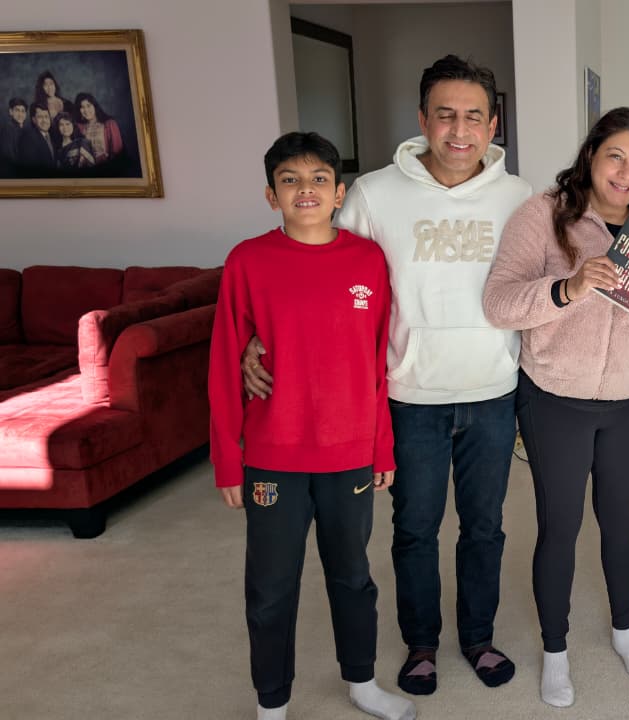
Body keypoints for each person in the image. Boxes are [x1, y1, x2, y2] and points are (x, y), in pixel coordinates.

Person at [241, 55, 532, 697]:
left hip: (492, 391)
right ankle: (421, 644)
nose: (460, 129)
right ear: (422, 119)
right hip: (409, 395)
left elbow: (539, 283)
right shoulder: (374, 193)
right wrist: (259, 338)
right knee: (415, 529)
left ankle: (478, 638)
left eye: (474, 116)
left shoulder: (520, 196)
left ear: (493, 125)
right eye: (446, 114)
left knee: (485, 527)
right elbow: (319, 264)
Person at [209, 131, 416, 720]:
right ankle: (271, 703)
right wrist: (227, 460)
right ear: (271, 195)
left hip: (349, 454)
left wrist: (382, 449)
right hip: (273, 455)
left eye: (319, 179)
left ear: (339, 193)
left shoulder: (367, 260)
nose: (306, 190)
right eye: (290, 180)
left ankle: (362, 682)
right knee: (270, 587)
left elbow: (376, 362)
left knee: (353, 576)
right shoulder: (248, 261)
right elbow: (225, 359)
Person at [482, 107, 629, 707]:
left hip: (628, 402)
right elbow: (498, 303)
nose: (626, 172)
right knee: (559, 528)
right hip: (555, 399)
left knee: (621, 523)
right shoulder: (543, 215)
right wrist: (569, 288)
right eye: (616, 155)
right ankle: (555, 651)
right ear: (591, 155)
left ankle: (625, 631)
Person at [74, 92, 125, 164]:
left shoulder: (110, 124)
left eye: (88, 106)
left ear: (95, 106)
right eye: (82, 107)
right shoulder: (80, 128)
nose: (86, 110)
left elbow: (117, 152)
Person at [15, 101, 56, 174]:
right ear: (34, 120)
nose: (44, 120)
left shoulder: (52, 135)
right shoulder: (28, 139)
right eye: (40, 117)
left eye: (46, 116)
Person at [0, 98, 27, 177]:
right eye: (17, 110)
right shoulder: (8, 129)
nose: (20, 114)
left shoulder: (23, 129)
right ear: (11, 112)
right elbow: (9, 156)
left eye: (23, 111)